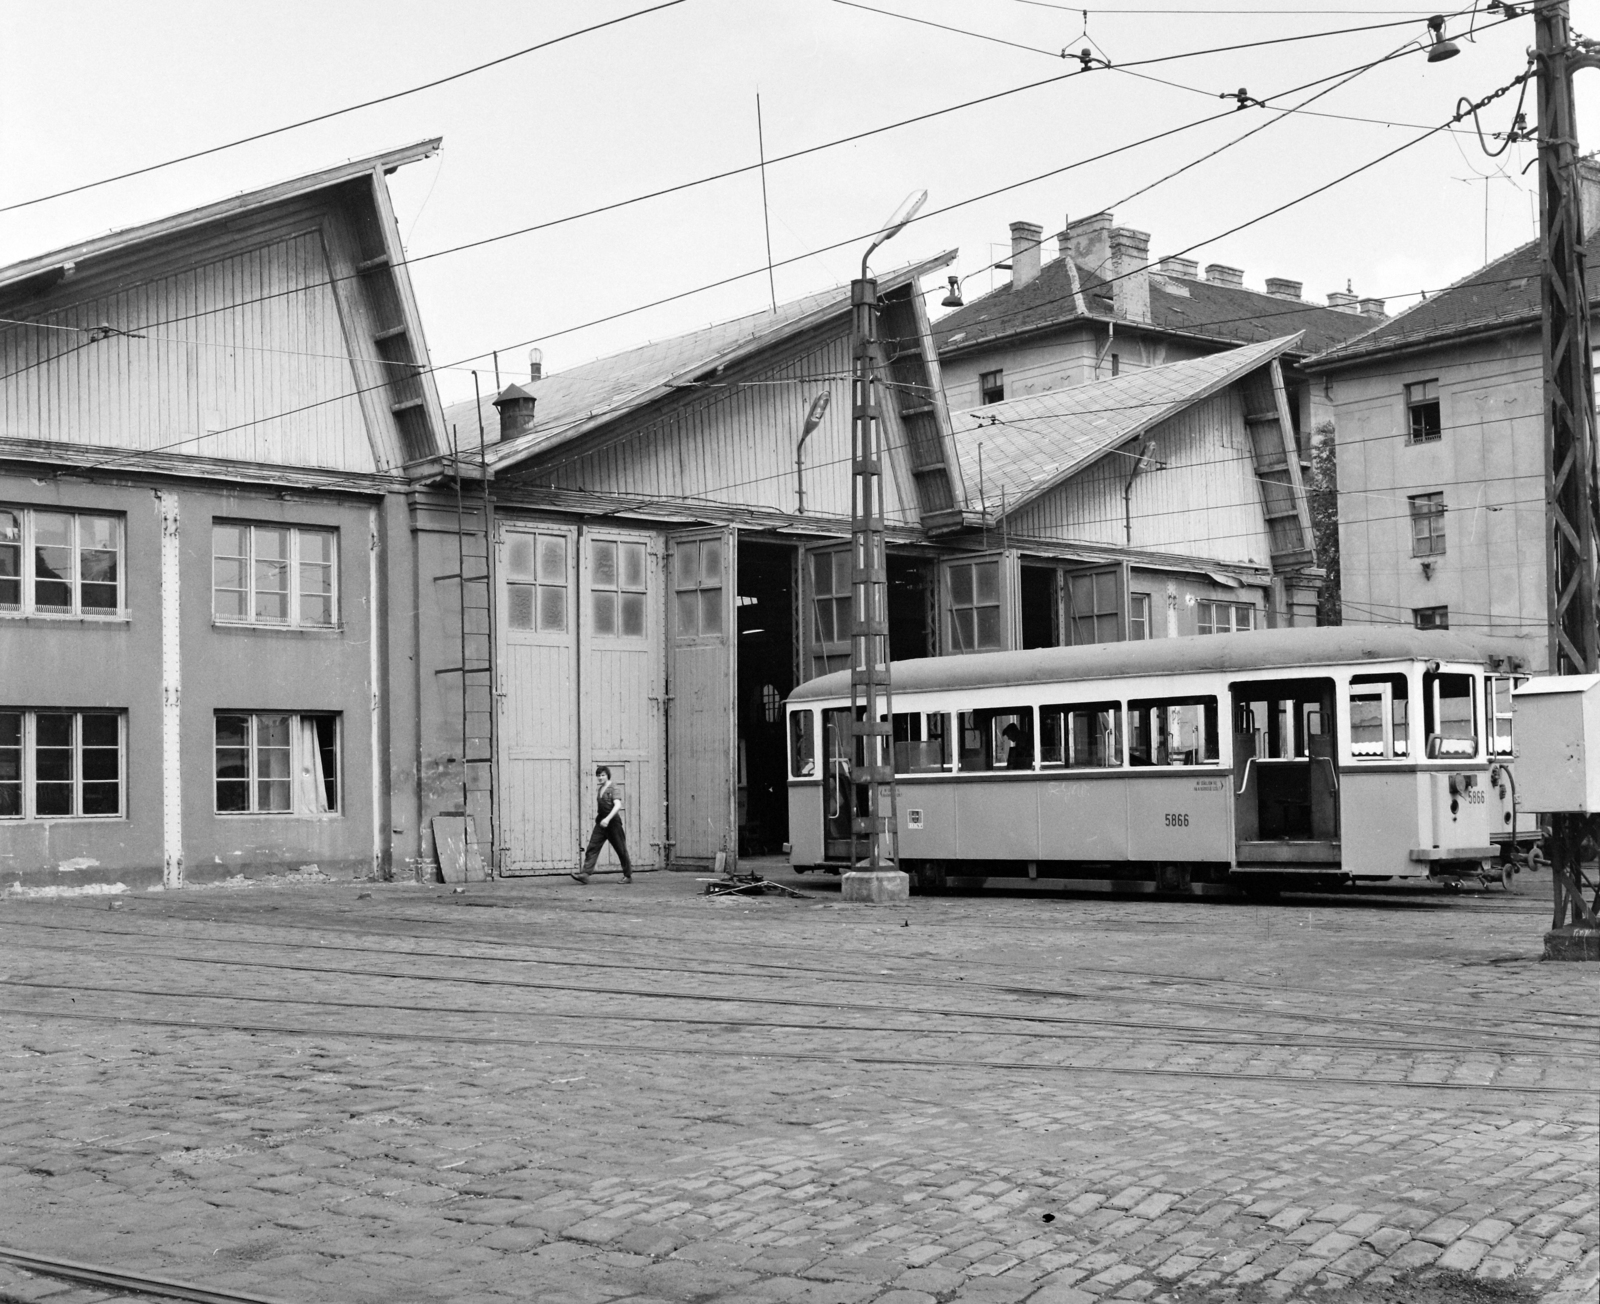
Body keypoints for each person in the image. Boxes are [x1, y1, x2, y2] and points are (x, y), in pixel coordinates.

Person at [572, 765, 633, 883]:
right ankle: (585, 874)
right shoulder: (600, 789)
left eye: (603, 775)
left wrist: (608, 819)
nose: (600, 777)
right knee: (592, 847)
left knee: (621, 849)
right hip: (601, 822)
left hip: (613, 823)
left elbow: (617, 805)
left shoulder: (613, 788)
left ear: (608, 775)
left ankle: (628, 876)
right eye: (598, 775)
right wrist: (603, 820)